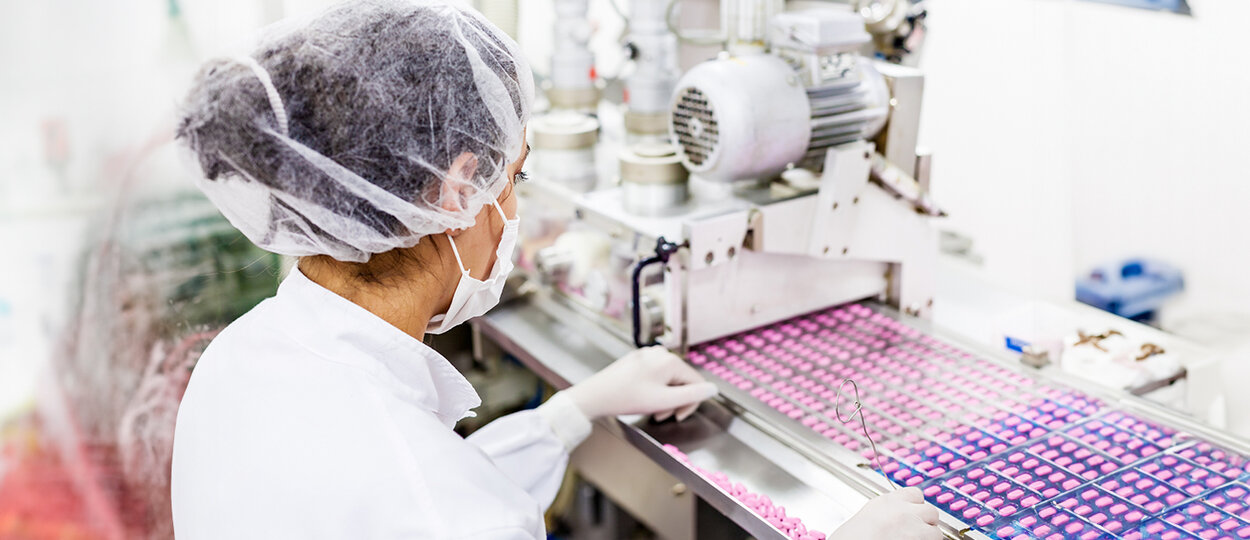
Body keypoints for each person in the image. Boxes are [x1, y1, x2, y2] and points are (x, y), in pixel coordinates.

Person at [170, 1, 942, 539]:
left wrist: (568, 414)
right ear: (457, 189)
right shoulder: (451, 514)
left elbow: (405, 491)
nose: (515, 213)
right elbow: (446, 511)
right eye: (516, 181)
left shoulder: (242, 359)